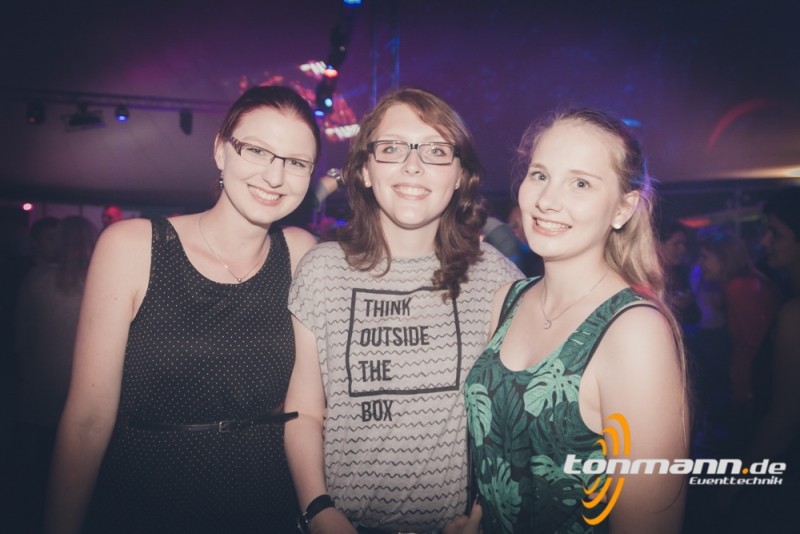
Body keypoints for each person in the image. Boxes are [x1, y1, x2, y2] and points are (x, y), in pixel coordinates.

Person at [46, 86, 321, 534]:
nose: (275, 176)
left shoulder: (300, 253)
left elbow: (310, 406)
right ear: (221, 151)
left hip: (265, 495)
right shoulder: (133, 247)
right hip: (150, 496)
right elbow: (88, 421)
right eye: (256, 151)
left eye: (296, 162)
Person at [285, 88, 522, 534]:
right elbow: (305, 410)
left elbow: (512, 418)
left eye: (436, 150)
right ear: (364, 170)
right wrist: (318, 512)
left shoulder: (494, 275)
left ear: (460, 176)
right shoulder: (322, 269)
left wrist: (483, 511)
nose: (413, 165)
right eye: (392, 148)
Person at [465, 108, 689, 533]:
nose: (547, 200)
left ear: (623, 208)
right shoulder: (506, 301)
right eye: (540, 175)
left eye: (580, 183)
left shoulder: (634, 331)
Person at [721, 188, 800, 531]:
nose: (765, 241)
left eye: (777, 233)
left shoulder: (794, 314)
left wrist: (737, 481)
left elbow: (786, 418)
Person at [12, 216, 97, 530]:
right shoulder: (102, 281)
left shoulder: (37, 279)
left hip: (43, 389)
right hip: (88, 391)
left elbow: (21, 339)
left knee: (40, 475)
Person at [696, 230, 781, 444]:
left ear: (724, 258)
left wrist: (748, 393)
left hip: (749, 391)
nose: (699, 263)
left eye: (705, 256)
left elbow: (757, 347)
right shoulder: (744, 283)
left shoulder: (739, 288)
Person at [658, 220, 699, 326]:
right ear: (658, 245)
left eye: (684, 244)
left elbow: (696, 317)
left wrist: (687, 304)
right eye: (676, 244)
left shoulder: (681, 273)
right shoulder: (644, 276)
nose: (683, 249)